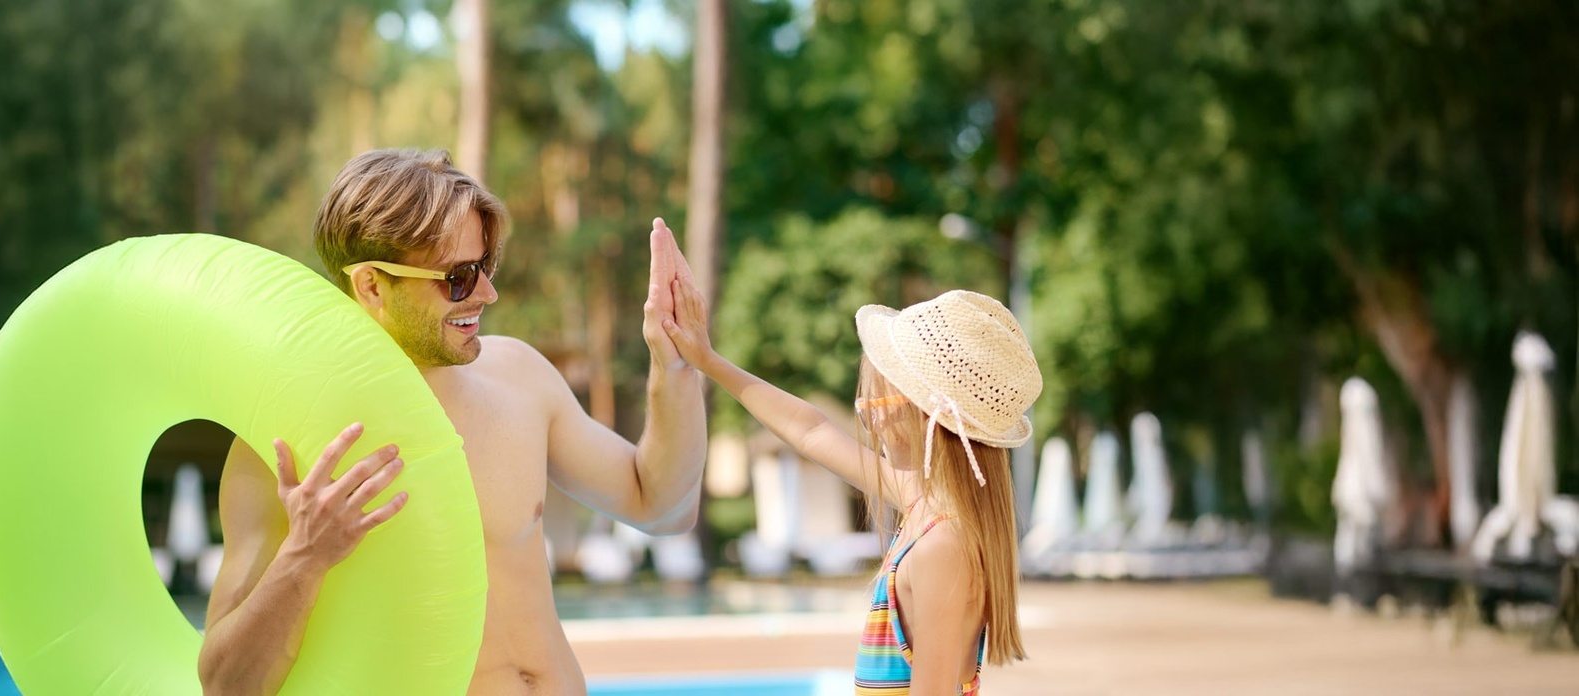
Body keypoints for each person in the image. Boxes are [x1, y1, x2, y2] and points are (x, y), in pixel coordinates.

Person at [197, 149, 707, 696]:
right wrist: (304, 557)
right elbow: (226, 686)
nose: (487, 293)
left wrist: (673, 366)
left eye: (486, 266)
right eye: (459, 277)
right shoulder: (292, 439)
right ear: (372, 285)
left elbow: (660, 506)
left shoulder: (519, 377)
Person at [661, 272, 1038, 695]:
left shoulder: (942, 546)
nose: (867, 418)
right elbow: (810, 430)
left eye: (873, 401)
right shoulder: (924, 509)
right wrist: (708, 360)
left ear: (921, 415)